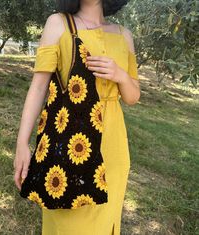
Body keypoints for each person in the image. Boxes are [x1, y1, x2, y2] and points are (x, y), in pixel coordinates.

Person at [14, 0, 141, 234]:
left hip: (113, 149)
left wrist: (120, 75)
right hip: (69, 142)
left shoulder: (125, 35)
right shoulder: (58, 24)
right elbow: (38, 87)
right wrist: (22, 143)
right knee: (66, 221)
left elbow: (133, 97)